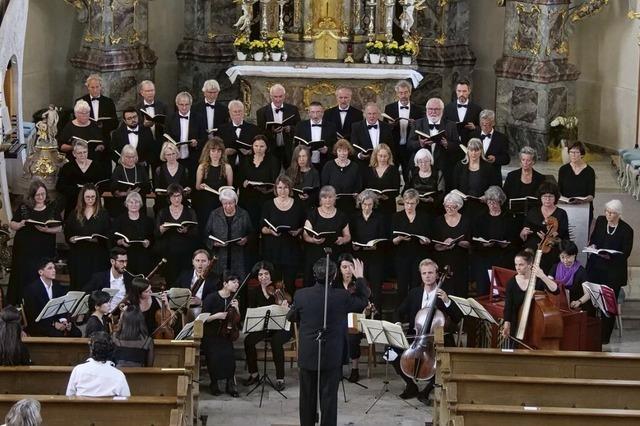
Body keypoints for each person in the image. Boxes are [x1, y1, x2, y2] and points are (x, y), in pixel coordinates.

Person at [287, 257, 369, 426]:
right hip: (331, 354)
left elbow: (292, 317)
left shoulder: (301, 295)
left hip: (309, 353)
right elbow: (362, 301)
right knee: (329, 399)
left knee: (307, 397)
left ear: (314, 274)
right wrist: (359, 278)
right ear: (334, 276)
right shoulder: (342, 296)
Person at [393, 259, 461, 403]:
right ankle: (410, 385)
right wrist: (398, 322)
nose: (427, 276)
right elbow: (399, 311)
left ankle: (427, 390)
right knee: (390, 352)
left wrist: (447, 301)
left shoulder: (444, 294)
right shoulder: (414, 293)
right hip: (416, 337)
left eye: (430, 272)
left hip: (437, 339)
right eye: (424, 273)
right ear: (421, 275)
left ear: (437, 275)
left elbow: (457, 318)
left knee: (445, 359)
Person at [585, 200, 634, 344]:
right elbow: (594, 239)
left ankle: (604, 338)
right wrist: (593, 245)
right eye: (607, 211)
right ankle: (590, 333)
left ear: (619, 214)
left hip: (613, 272)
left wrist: (610, 256)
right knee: (590, 302)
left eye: (612, 213)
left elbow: (626, 253)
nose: (608, 215)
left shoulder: (627, 230)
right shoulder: (600, 221)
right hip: (595, 268)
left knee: (608, 304)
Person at [7, 179, 61, 306]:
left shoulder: (52, 206)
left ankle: (42, 303)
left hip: (44, 248)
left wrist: (47, 229)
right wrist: (21, 223)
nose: (41, 197)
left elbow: (60, 227)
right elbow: (12, 224)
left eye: (43, 194)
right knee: (25, 274)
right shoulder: (24, 207)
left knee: (41, 273)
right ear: (32, 195)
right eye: (38, 195)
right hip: (25, 248)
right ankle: (22, 304)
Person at [243, 262, 292, 391]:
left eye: (266, 274)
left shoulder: (278, 289)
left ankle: (280, 378)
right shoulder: (254, 292)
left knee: (276, 342)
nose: (263, 277)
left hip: (281, 326)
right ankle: (254, 374)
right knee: (248, 341)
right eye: (260, 275)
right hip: (264, 326)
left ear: (271, 275)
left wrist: (284, 306)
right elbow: (252, 310)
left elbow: (290, 308)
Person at [501, 250, 559, 344]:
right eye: (516, 264)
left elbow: (556, 290)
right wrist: (507, 324)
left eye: (521, 265)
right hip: (517, 326)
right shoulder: (511, 283)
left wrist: (542, 276)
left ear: (530, 265)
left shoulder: (538, 281)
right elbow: (508, 307)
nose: (517, 268)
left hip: (536, 325)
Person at [260, 175, 306, 295]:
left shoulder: (298, 204)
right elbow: (262, 227)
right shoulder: (268, 205)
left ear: (290, 189)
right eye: (280, 187)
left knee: (290, 284)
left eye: (285, 188)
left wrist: (298, 231)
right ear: (275, 189)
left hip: (291, 249)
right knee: (274, 284)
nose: (282, 191)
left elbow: (304, 225)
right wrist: (270, 231)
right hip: (273, 250)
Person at [470, 186, 518, 295]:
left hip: (503, 259)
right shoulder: (480, 218)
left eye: (495, 202)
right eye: (489, 202)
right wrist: (483, 244)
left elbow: (515, 240)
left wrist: (506, 244)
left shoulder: (509, 218)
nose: (492, 205)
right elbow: (474, 240)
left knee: (500, 293)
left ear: (500, 202)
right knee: (483, 292)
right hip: (484, 259)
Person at [64, 184, 111, 291]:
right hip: (79, 255)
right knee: (79, 284)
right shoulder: (75, 213)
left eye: (93, 197)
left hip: (97, 256)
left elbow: (109, 234)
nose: (90, 199)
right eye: (87, 197)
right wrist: (71, 238)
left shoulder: (103, 214)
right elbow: (68, 231)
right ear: (82, 198)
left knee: (95, 286)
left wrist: (98, 239)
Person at [408, 97, 460, 191]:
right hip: (422, 168)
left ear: (442, 110)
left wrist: (447, 144)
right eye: (430, 109)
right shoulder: (417, 123)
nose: (433, 112)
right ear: (426, 110)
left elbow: (457, 146)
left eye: (436, 109)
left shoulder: (451, 125)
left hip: (443, 166)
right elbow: (409, 144)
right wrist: (420, 144)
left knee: (443, 193)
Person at [334, 254, 373, 383]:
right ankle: (337, 368)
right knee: (335, 334)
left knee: (352, 336)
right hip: (338, 321)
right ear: (339, 269)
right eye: (344, 267)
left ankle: (355, 369)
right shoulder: (335, 284)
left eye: (351, 266)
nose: (348, 270)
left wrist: (366, 309)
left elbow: (367, 296)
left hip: (356, 320)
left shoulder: (359, 283)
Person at [302, 185, 351, 286]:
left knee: (333, 283)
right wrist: (313, 240)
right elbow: (305, 234)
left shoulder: (341, 215)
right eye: (324, 197)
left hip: (334, 252)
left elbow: (348, 236)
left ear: (335, 198)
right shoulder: (313, 214)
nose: (327, 200)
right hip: (315, 253)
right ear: (320, 199)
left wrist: (343, 239)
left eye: (330, 197)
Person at [202, 273, 241, 397]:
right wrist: (216, 316)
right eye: (234, 282)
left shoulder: (234, 299)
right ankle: (214, 383)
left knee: (230, 358)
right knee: (214, 358)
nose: (237, 284)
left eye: (237, 282)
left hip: (226, 333)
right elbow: (203, 318)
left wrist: (238, 308)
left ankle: (230, 384)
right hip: (211, 333)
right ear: (225, 283)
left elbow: (237, 319)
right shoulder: (211, 298)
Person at [23, 259, 82, 337]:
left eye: (54, 268)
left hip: (56, 321)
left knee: (76, 333)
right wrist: (54, 324)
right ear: (41, 272)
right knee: (58, 335)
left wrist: (64, 321)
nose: (54, 270)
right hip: (39, 324)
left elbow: (63, 308)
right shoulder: (32, 289)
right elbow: (32, 314)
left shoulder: (58, 287)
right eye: (50, 268)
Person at [154, 183, 199, 285]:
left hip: (186, 253)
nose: (176, 199)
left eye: (179, 196)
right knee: (171, 282)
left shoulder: (189, 211)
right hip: (169, 252)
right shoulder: (163, 212)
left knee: (185, 281)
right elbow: (156, 233)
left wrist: (186, 231)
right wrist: (162, 229)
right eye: (173, 196)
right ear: (169, 197)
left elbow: (196, 232)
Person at [520, 182, 569, 273]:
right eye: (544, 196)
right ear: (540, 197)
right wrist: (523, 233)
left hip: (552, 249)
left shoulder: (561, 213)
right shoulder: (533, 211)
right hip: (533, 247)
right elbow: (523, 235)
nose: (547, 199)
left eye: (550, 196)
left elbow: (564, 237)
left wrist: (550, 239)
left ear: (555, 197)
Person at [391, 189, 431, 301]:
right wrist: (398, 239)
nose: (409, 206)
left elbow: (429, 237)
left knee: (416, 286)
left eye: (412, 203)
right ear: (403, 202)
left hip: (418, 255)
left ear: (417, 202)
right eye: (407, 203)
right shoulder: (396, 217)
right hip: (402, 256)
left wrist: (425, 241)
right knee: (402, 287)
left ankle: (415, 313)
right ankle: (401, 315)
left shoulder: (424, 217)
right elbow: (391, 240)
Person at [205, 188, 253, 278]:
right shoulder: (214, 214)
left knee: (238, 283)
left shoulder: (243, 214)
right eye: (225, 203)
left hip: (238, 256)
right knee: (219, 283)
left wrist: (246, 239)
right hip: (219, 256)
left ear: (235, 202)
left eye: (231, 203)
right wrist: (214, 243)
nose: (228, 206)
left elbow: (251, 233)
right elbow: (206, 235)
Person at [350, 190, 387, 307]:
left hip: (375, 257)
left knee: (376, 289)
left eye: (369, 204)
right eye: (364, 204)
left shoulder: (380, 218)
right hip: (360, 257)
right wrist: (354, 246)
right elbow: (352, 235)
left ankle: (376, 315)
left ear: (373, 204)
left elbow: (384, 237)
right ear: (360, 204)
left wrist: (377, 245)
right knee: (360, 286)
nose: (367, 207)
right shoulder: (354, 218)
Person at [66, 331, 130, 397]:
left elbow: (69, 396)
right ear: (110, 349)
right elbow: (126, 398)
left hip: (83, 407)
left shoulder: (78, 370)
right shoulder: (118, 375)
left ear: (91, 349)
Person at [383, 80, 425, 183]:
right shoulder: (389, 108)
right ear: (397, 94)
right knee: (392, 174)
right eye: (401, 93)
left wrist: (415, 125)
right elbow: (384, 128)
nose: (403, 95)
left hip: (410, 147)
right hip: (394, 146)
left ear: (410, 92)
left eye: (406, 92)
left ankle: (408, 195)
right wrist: (391, 126)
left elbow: (422, 130)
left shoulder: (418, 110)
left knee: (408, 174)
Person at [432, 191, 471, 297]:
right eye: (446, 206)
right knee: (443, 292)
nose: (448, 209)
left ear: (458, 206)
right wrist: (444, 245)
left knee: (460, 292)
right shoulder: (438, 221)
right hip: (443, 261)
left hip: (460, 261)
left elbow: (469, 243)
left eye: (452, 207)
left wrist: (456, 242)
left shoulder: (466, 221)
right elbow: (434, 245)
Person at [56, 139, 109, 216]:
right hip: (73, 203)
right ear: (74, 154)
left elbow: (103, 184)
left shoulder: (96, 166)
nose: (82, 155)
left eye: (85, 152)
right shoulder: (67, 167)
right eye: (79, 153)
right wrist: (78, 190)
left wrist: (93, 192)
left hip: (92, 202)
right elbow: (60, 186)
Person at [238, 135, 280, 230]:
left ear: (266, 147)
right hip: (248, 197)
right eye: (256, 146)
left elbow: (274, 180)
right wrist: (243, 182)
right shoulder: (246, 159)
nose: (258, 149)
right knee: (250, 227)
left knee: (264, 226)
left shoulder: (273, 160)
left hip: (265, 197)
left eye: (262, 146)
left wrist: (266, 187)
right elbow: (240, 177)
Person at [255, 83, 301, 168]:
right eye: (275, 97)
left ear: (284, 96)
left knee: (290, 173)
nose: (278, 99)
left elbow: (299, 127)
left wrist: (290, 128)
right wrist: (272, 131)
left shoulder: (293, 109)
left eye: (280, 96)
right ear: (271, 96)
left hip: (288, 148)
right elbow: (260, 133)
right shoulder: (261, 112)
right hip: (271, 149)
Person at [194, 137, 234, 232]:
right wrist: (202, 186)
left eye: (218, 151)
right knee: (206, 227)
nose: (216, 154)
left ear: (222, 153)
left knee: (220, 228)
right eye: (213, 151)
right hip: (205, 201)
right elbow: (197, 186)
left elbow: (230, 188)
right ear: (208, 152)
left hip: (221, 202)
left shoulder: (227, 167)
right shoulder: (202, 167)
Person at [451, 138, 501, 214]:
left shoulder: (488, 167)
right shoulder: (459, 166)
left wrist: (486, 197)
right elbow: (454, 187)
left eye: (476, 150)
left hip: (483, 206)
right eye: (471, 150)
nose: (473, 153)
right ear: (467, 150)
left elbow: (495, 187)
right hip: (463, 206)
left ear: (481, 151)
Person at [165, 91, 207, 181]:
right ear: (177, 104)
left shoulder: (199, 118)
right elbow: (166, 136)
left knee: (192, 184)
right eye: (181, 104)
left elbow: (204, 138)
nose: (184, 107)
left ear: (191, 104)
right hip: (175, 160)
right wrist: (171, 145)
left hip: (193, 158)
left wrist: (197, 143)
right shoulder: (170, 118)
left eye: (187, 104)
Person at [111, 191, 154, 275]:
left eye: (136, 202)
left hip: (142, 256)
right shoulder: (119, 220)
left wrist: (149, 242)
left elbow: (152, 236)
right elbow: (113, 237)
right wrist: (121, 242)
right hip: (125, 256)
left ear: (140, 204)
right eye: (131, 202)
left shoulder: (147, 220)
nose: (134, 205)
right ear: (126, 204)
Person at [75, 74, 118, 153]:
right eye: (92, 87)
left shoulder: (108, 102)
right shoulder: (80, 101)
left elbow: (115, 123)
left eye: (97, 87)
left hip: (104, 140)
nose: (95, 90)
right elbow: (75, 122)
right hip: (87, 141)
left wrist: (103, 125)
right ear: (88, 87)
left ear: (101, 87)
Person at [320, 139, 363, 214]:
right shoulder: (328, 165)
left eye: (345, 151)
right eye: (339, 151)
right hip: (332, 205)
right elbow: (324, 186)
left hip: (350, 205)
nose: (342, 154)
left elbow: (358, 185)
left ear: (348, 151)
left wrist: (356, 193)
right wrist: (330, 196)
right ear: (336, 152)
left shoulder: (355, 167)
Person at [557, 140, 596, 223]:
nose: (573, 155)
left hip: (583, 206)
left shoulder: (589, 171)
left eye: (576, 152)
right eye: (571, 152)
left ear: (582, 154)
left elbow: (591, 195)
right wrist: (563, 200)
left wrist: (582, 200)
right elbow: (558, 191)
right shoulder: (563, 169)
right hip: (566, 206)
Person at [108, 145, 150, 217]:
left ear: (136, 157)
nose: (131, 159)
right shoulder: (118, 169)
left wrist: (139, 189)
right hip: (122, 205)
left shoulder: (141, 169)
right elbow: (113, 190)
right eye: (128, 157)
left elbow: (147, 186)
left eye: (133, 157)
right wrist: (126, 193)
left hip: (139, 205)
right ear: (123, 157)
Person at [82, 247, 129, 312]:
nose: (125, 264)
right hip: (104, 317)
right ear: (112, 261)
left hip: (124, 316)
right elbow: (85, 294)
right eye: (121, 261)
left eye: (126, 261)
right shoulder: (99, 278)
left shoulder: (130, 278)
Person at [294, 101, 337, 171]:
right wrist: (304, 149)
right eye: (313, 112)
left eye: (318, 112)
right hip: (306, 164)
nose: (315, 115)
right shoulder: (300, 126)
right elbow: (296, 145)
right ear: (308, 113)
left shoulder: (331, 126)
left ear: (323, 113)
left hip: (325, 163)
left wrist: (327, 150)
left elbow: (335, 145)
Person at [468, 109, 510, 180]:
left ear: (493, 123)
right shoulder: (473, 135)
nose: (484, 126)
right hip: (475, 176)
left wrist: (495, 159)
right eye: (482, 124)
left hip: (493, 177)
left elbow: (506, 159)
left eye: (487, 124)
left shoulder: (501, 138)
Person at [363, 143, 401, 219]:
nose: (382, 159)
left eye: (385, 156)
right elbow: (365, 187)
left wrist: (386, 196)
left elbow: (397, 190)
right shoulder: (369, 170)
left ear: (389, 156)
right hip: (372, 206)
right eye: (380, 156)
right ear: (376, 156)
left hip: (388, 206)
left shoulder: (394, 170)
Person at [219, 100, 259, 169]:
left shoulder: (253, 129)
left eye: (240, 111)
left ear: (243, 112)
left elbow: (260, 147)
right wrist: (224, 152)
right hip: (227, 167)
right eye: (235, 111)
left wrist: (250, 151)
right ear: (230, 113)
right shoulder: (222, 129)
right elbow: (217, 148)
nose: (238, 113)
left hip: (248, 167)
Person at [405, 148, 444, 216]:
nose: (423, 164)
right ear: (416, 162)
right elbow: (407, 189)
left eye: (426, 161)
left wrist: (432, 200)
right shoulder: (413, 172)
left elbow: (441, 192)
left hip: (433, 207)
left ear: (430, 160)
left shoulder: (438, 173)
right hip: (416, 206)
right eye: (420, 161)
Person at [154, 142, 191, 212]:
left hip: (180, 205)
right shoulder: (159, 170)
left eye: (173, 154)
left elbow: (188, 186)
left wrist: (188, 189)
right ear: (164, 156)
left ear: (177, 154)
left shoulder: (184, 169)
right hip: (163, 205)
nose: (171, 157)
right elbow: (156, 188)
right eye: (168, 155)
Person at [443, 78, 482, 145]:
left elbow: (483, 127)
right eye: (459, 91)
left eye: (464, 91)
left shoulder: (477, 109)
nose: (461, 94)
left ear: (469, 91)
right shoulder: (448, 108)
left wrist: (475, 127)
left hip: (470, 145)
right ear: (456, 91)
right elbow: (443, 125)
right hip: (452, 145)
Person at [549, 240, 588, 305]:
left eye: (568, 257)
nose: (565, 260)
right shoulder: (555, 267)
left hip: (573, 306)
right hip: (556, 303)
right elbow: (548, 284)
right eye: (562, 257)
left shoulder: (581, 271)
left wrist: (579, 302)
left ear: (574, 255)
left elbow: (588, 294)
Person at [137, 80, 171, 153]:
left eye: (152, 90)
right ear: (142, 93)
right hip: (144, 145)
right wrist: (144, 125)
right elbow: (133, 127)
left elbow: (171, 124)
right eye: (147, 91)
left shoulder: (163, 106)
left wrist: (161, 123)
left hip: (161, 143)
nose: (150, 93)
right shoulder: (136, 108)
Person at [286, 145, 320, 211]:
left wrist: (308, 197)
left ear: (308, 157)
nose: (301, 159)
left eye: (304, 156)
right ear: (295, 158)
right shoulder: (290, 171)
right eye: (299, 156)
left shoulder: (314, 172)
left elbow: (316, 194)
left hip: (308, 207)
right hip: (292, 206)